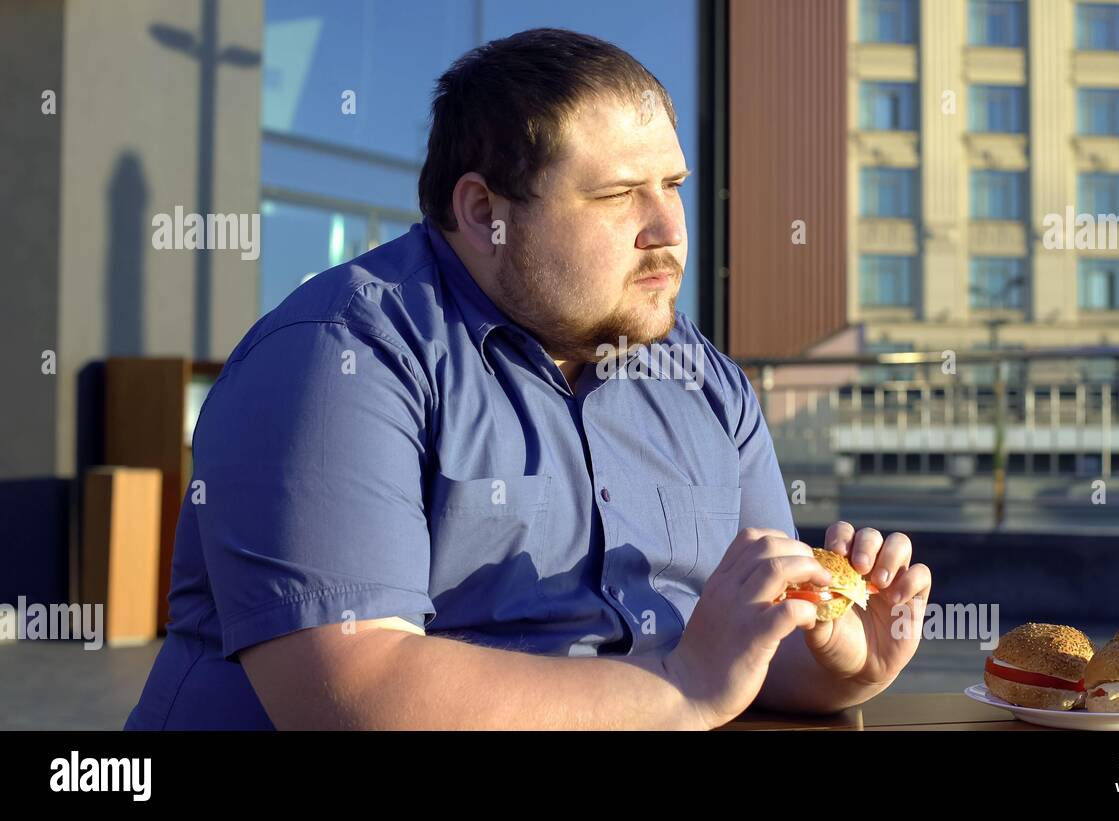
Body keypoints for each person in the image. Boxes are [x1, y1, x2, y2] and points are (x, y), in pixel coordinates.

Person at [124, 27, 931, 730]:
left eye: (674, 186)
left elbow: (746, 657)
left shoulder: (706, 381)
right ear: (483, 214)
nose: (670, 230)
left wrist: (846, 656)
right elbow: (353, 691)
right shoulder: (340, 355)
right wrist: (679, 689)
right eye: (618, 194)